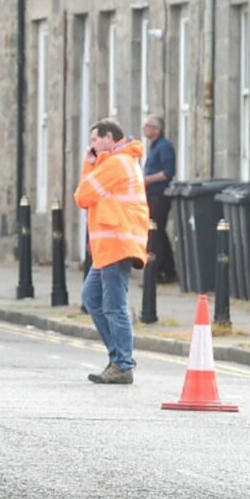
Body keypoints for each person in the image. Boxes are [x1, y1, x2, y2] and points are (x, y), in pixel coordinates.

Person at [75, 120, 150, 384]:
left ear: (109, 137)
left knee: (114, 307)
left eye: (95, 139)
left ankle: (122, 364)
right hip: (110, 245)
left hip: (117, 243)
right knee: (92, 297)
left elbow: (82, 196)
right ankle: (118, 357)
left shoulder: (116, 164)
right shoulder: (116, 162)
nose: (93, 144)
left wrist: (89, 164)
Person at [141, 115, 177, 285]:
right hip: (150, 194)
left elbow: (168, 172)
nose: (144, 128)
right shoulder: (153, 147)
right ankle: (167, 269)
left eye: (147, 126)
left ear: (157, 129)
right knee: (157, 233)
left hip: (159, 195)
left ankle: (159, 271)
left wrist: (147, 179)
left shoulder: (164, 147)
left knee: (156, 232)